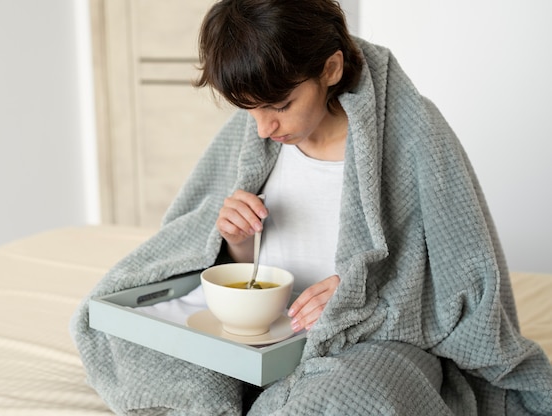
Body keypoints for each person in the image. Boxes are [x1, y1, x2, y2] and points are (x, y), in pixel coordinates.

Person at [71, 1, 552, 414]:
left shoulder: (414, 135)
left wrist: (361, 300)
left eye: (279, 105)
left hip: (373, 343)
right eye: (249, 110)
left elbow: (462, 287)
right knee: (130, 336)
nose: (263, 127)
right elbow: (218, 256)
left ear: (331, 69)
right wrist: (236, 241)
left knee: (348, 398)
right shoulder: (259, 132)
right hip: (263, 338)